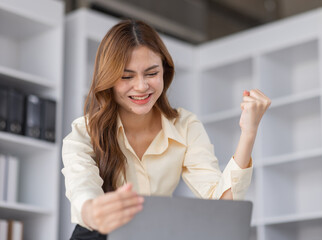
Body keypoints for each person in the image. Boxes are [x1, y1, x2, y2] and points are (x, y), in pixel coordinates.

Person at [62, 19, 271, 239]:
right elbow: (81, 188)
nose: (142, 86)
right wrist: (94, 211)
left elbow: (223, 206)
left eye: (151, 73)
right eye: (126, 76)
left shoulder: (185, 125)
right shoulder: (85, 131)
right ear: (108, 79)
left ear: (165, 72)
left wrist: (249, 132)